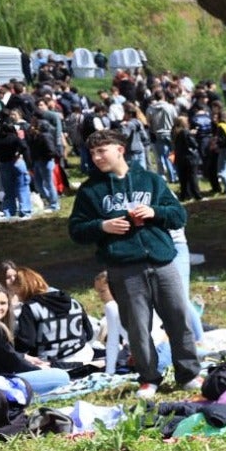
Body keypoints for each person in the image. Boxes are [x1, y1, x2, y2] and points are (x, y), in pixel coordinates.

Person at [67, 129, 200, 399]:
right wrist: (102, 226)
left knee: (179, 319)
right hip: (123, 267)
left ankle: (189, 374)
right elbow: (76, 230)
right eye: (92, 153)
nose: (96, 157)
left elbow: (178, 215)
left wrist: (155, 212)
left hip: (162, 262)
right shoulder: (90, 191)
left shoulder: (150, 181)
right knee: (137, 328)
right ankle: (149, 378)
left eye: (101, 150)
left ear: (120, 149)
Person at [0, 283, 70, 395]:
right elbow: (14, 364)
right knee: (61, 376)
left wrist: (24, 356)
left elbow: (2, 354)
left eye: (3, 303)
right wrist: (39, 369)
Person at [11, 267, 96, 370]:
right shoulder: (73, 302)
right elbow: (90, 333)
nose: (17, 297)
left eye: (16, 293)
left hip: (50, 364)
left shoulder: (30, 308)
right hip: (84, 356)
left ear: (22, 288)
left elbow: (25, 344)